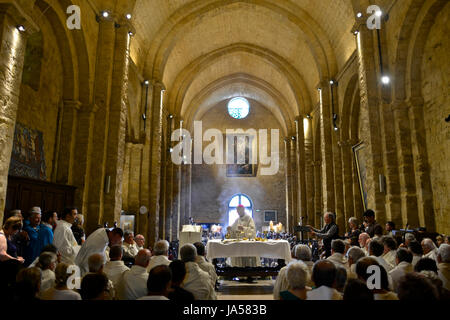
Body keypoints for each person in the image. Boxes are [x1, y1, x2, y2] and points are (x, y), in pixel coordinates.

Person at [228, 205, 258, 269]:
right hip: (239, 244)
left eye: (239, 210)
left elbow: (252, 230)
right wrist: (230, 229)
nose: (238, 212)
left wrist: (244, 229)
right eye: (237, 211)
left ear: (243, 210)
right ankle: (239, 273)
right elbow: (233, 230)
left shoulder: (249, 218)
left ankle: (249, 273)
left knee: (247, 260)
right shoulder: (237, 220)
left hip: (247, 245)